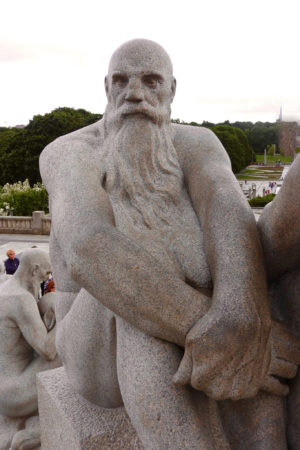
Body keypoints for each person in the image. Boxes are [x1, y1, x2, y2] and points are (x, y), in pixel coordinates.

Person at [40, 39, 299, 448]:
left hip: (186, 316)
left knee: (241, 284)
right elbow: (88, 247)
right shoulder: (69, 153)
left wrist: (241, 313)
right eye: (122, 82)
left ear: (172, 90)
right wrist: (228, 335)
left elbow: (225, 208)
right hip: (91, 345)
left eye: (151, 82)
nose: (135, 94)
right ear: (106, 87)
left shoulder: (197, 143)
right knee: (142, 275)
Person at [0, 248, 60, 449]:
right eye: (46, 273)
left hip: (4, 386)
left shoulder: (5, 287)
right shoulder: (21, 299)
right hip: (13, 394)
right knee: (66, 347)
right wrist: (66, 319)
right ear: (34, 270)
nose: (47, 278)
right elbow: (48, 351)